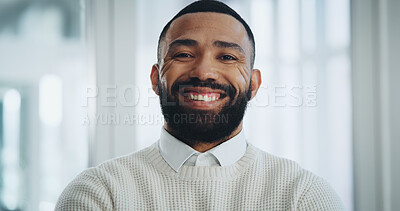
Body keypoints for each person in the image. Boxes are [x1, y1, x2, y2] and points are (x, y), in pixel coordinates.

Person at [56, 0, 345, 210]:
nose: (204, 71)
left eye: (228, 57)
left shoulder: (303, 196)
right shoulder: (99, 193)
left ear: (253, 84)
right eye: (183, 54)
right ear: (156, 78)